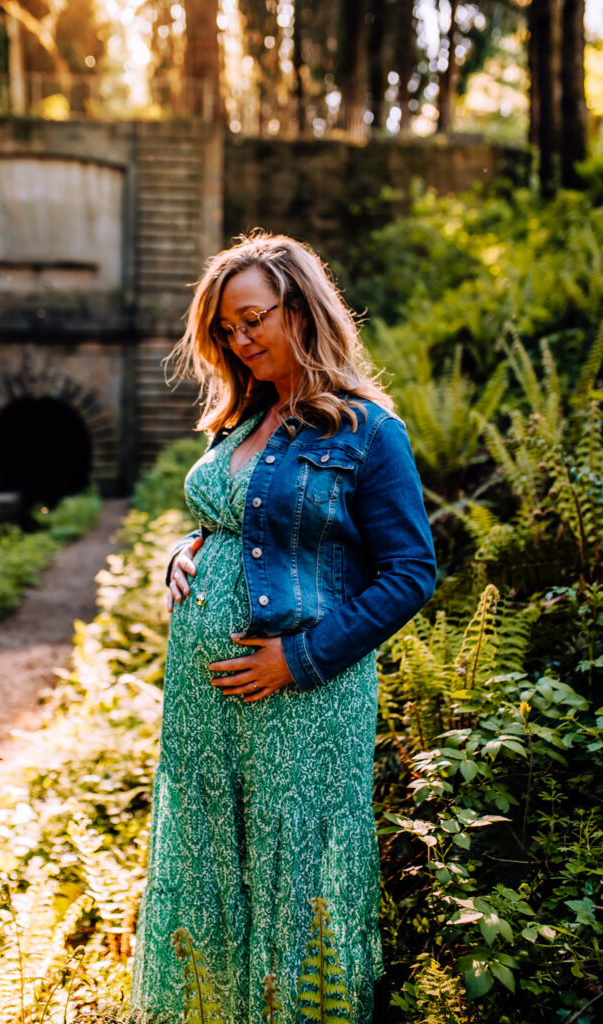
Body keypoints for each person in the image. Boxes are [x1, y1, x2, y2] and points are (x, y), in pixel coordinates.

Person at [130, 231, 436, 1024]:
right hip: (204, 704)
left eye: (252, 318)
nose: (239, 339)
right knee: (213, 855)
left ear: (301, 309)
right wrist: (187, 547)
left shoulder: (368, 432)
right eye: (225, 329)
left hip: (301, 698)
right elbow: (241, 519)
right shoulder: (241, 419)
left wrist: (297, 659)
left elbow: (410, 573)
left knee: (293, 870)